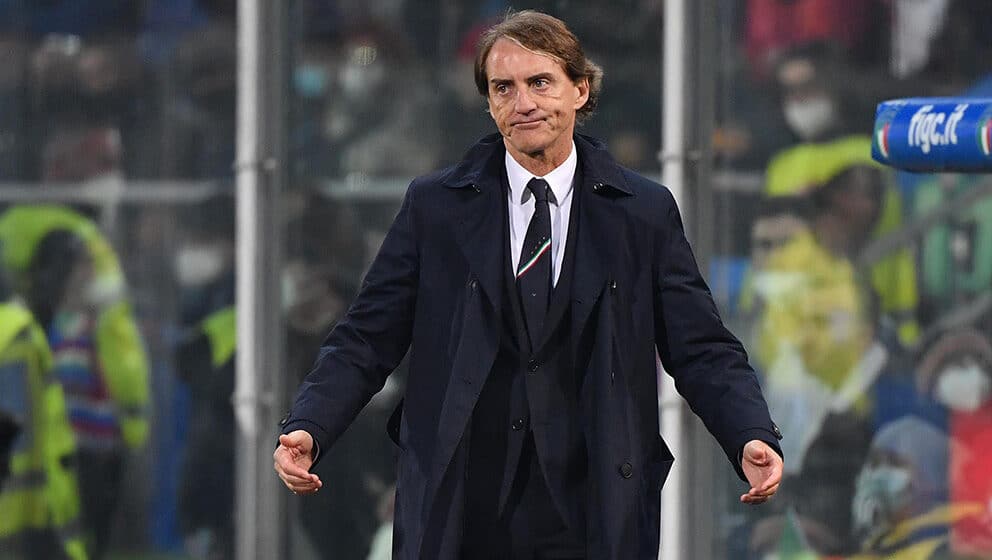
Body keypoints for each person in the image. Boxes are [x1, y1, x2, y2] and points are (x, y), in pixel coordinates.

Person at [274, 11, 784, 560]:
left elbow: (700, 347)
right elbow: (366, 338)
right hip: (461, 505)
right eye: (504, 87)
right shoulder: (435, 208)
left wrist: (748, 432)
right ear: (489, 102)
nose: (523, 103)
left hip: (594, 509)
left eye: (540, 82)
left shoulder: (642, 213)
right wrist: (311, 424)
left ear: (580, 90)